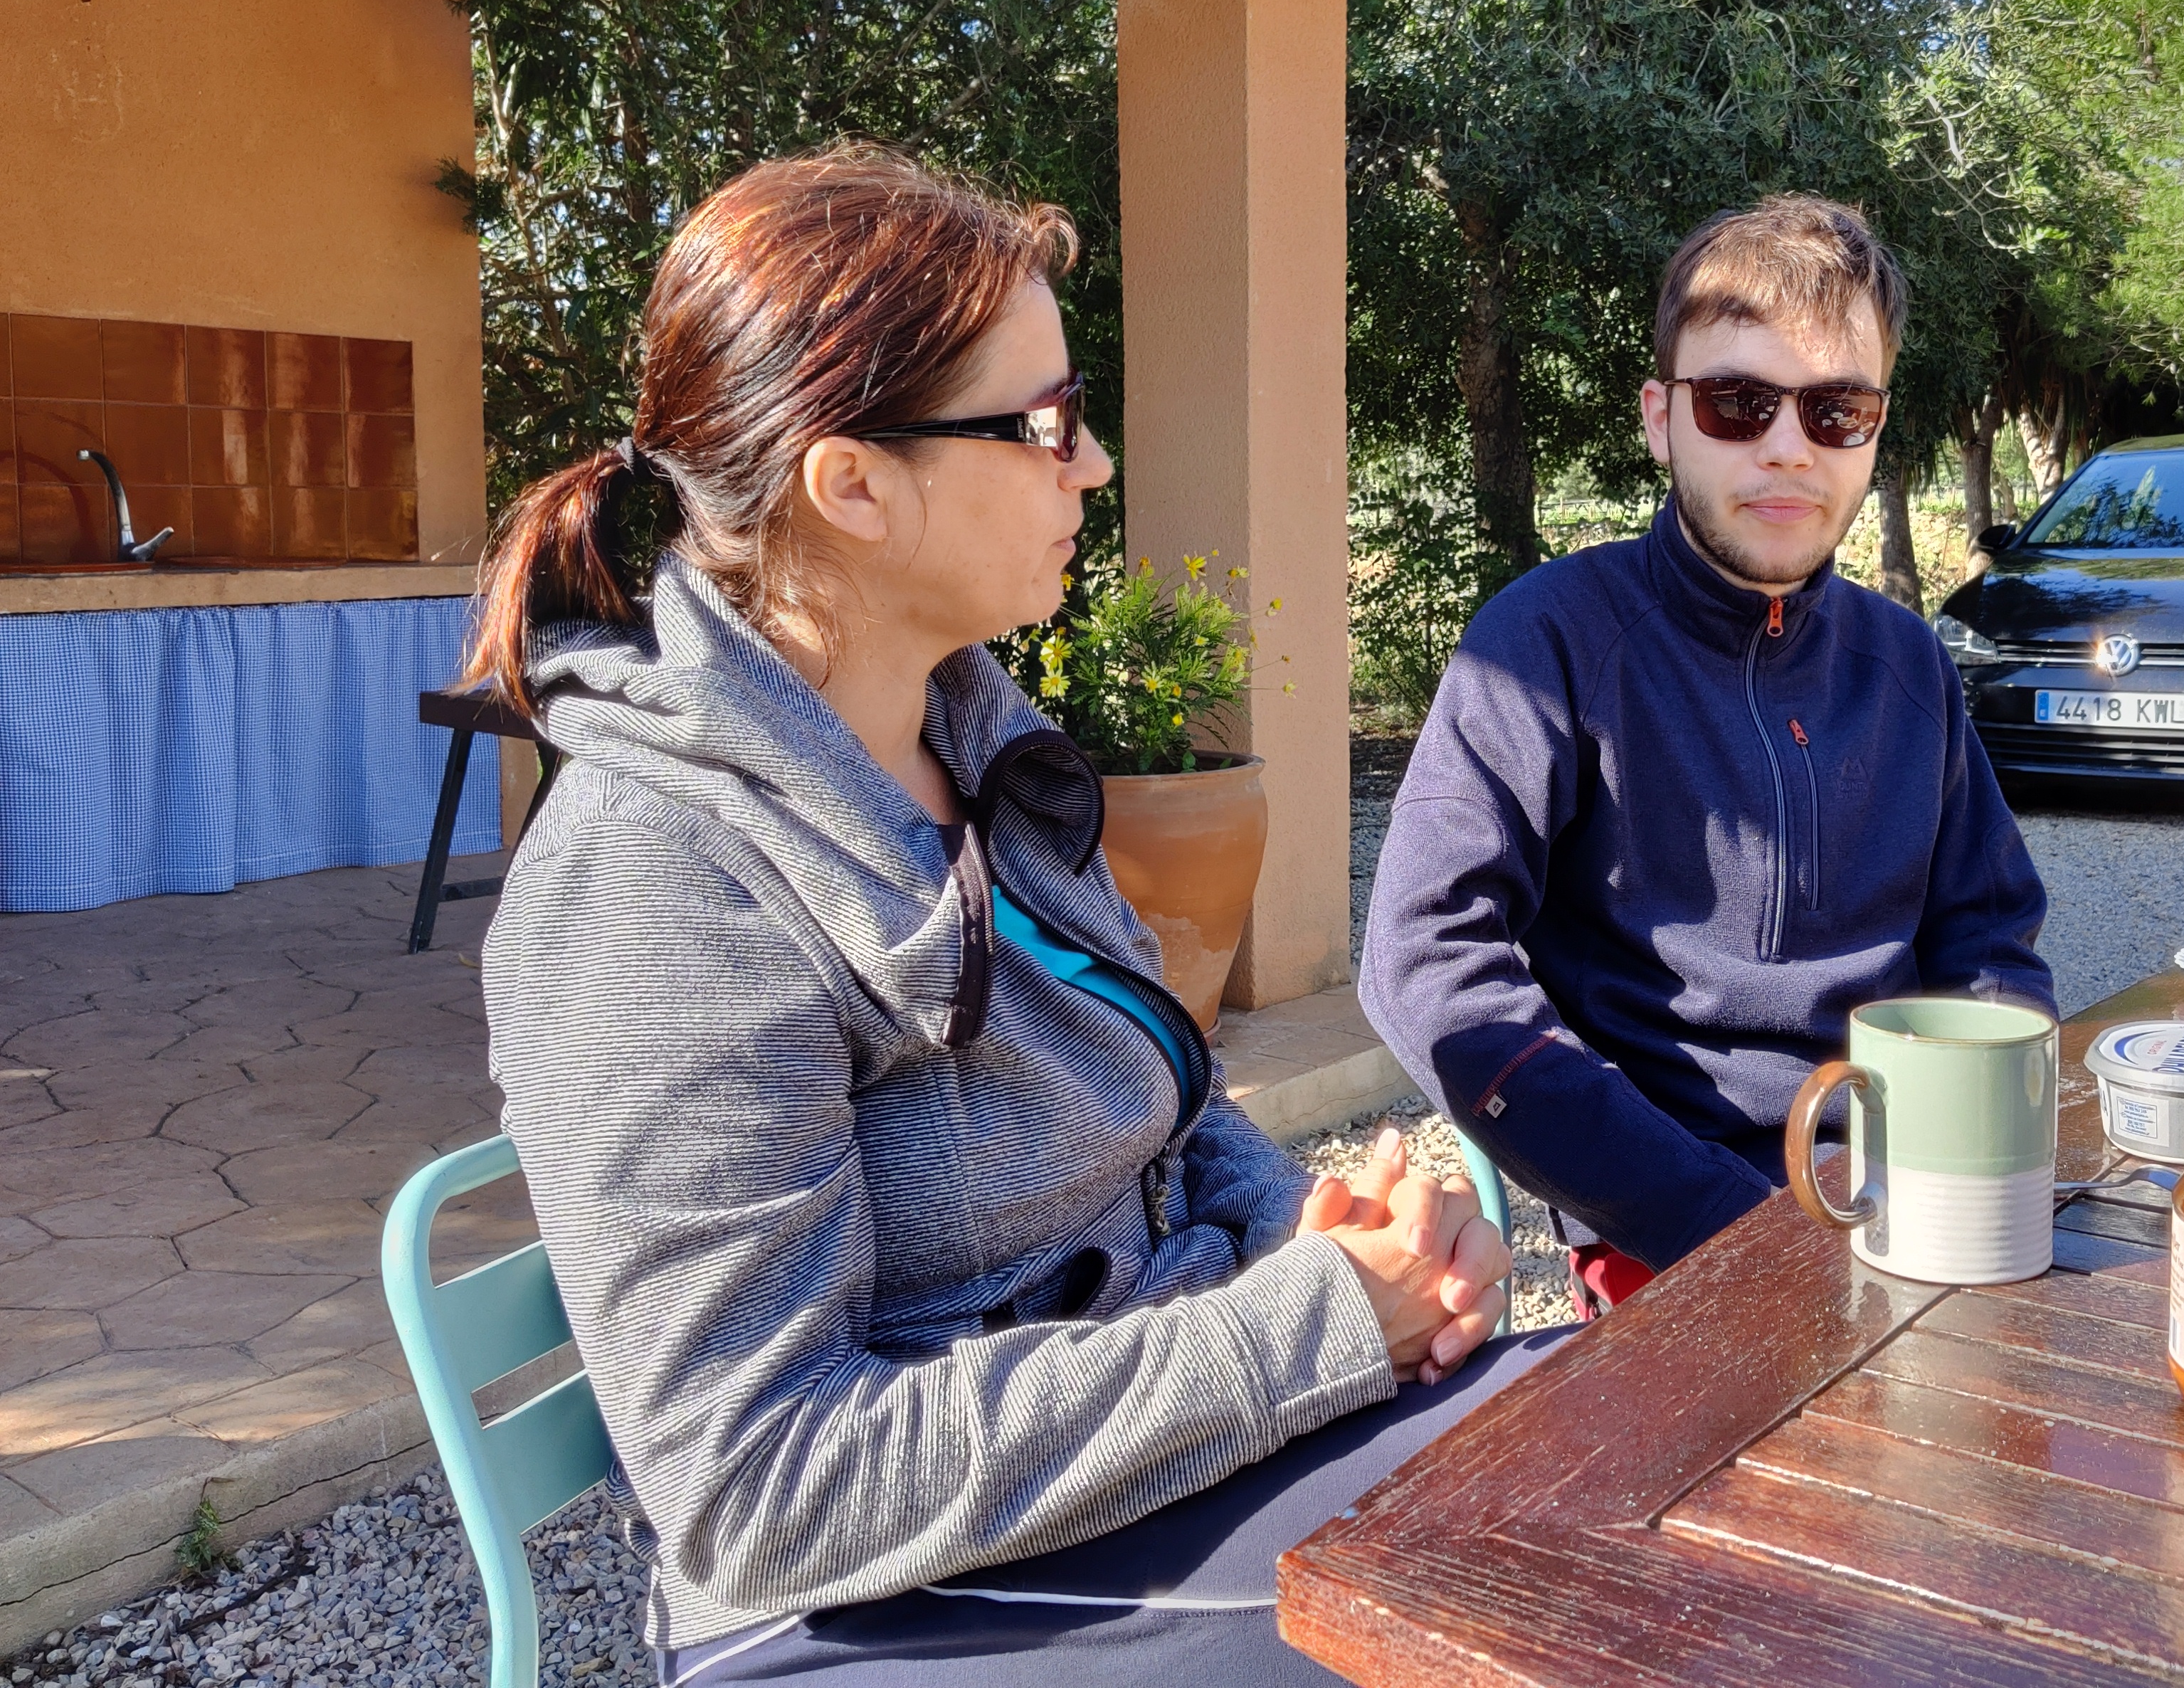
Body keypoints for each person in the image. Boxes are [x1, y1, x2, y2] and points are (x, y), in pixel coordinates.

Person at [466, 146, 1521, 1685]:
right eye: (1045, 423)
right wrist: (1306, 1334)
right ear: (852, 486)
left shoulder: (971, 745)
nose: (1090, 463)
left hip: (1112, 1488)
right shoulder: (656, 879)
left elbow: (1158, 1115)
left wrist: (1304, 1242)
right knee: (1544, 1585)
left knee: (1600, 1477)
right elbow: (761, 1490)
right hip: (872, 1616)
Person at [1359, 195, 2055, 1315]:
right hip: (1673, 1230)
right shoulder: (1545, 646)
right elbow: (1423, 956)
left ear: (1876, 431)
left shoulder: (1907, 663)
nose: (1787, 445)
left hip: (1910, 1195)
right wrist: (1716, 1219)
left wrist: (1974, 1147)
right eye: (1738, 402)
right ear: (1661, 418)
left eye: (1837, 410)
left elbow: (1990, 941)